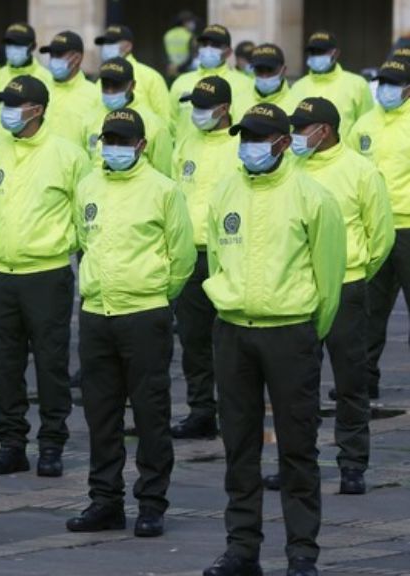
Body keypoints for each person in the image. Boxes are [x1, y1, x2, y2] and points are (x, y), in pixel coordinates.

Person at [202, 103, 345, 576]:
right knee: (239, 445)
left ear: (283, 143)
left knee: (297, 448)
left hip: (289, 333)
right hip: (234, 331)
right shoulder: (225, 190)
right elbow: (216, 263)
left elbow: (329, 279)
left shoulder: (313, 197)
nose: (248, 147)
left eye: (258, 139)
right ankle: (242, 548)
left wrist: (307, 331)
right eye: (244, 138)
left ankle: (302, 551)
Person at [69, 107, 195, 538]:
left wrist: (158, 293)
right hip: (96, 314)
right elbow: (84, 242)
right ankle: (104, 500)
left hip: (144, 315)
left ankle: (151, 502)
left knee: (150, 414)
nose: (116, 147)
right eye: (110, 140)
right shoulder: (87, 185)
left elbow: (182, 256)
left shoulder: (163, 190)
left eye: (124, 140)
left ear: (142, 145)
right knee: (100, 415)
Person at [258, 97, 393, 497]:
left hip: (346, 287)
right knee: (295, 384)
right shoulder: (290, 168)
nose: (295, 137)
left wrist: (352, 272)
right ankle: (296, 464)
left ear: (325, 130)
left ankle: (352, 463)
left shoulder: (360, 171)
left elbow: (380, 235)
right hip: (298, 289)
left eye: (301, 129)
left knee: (351, 381)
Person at [0, 76, 89, 478]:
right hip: (0, 274)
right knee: (5, 365)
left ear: (37, 109)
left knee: (50, 363)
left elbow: (84, 214)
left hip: (46, 275)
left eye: (14, 104)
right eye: (3, 103)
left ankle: (51, 443)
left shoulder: (68, 155)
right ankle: (11, 443)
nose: (5, 110)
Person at [170, 76, 239, 440]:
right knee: (194, 340)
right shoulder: (186, 141)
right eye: (193, 106)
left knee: (230, 340)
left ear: (224, 109)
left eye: (203, 107)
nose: (196, 114)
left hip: (230, 255)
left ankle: (235, 409)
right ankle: (201, 409)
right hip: (191, 255)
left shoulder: (243, 143)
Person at [349, 59, 410, 402]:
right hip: (374, 227)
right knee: (369, 311)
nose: (386, 89)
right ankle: (364, 378)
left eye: (394, 83)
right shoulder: (364, 124)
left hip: (408, 227)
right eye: (383, 82)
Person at [84, 58, 172, 176]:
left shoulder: (154, 124)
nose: (110, 91)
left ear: (132, 86)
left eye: (116, 85)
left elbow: (163, 174)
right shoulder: (89, 117)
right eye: (105, 85)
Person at [169, 24, 252, 147]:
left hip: (226, 158)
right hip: (187, 158)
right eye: (204, 44)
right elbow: (171, 125)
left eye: (216, 45)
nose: (208, 48)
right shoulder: (181, 82)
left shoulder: (245, 84)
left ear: (228, 52)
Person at [291, 32, 374, 140]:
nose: (316, 56)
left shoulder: (357, 84)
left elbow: (367, 126)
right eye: (313, 52)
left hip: (345, 155)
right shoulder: (297, 87)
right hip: (304, 155)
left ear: (336, 53)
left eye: (321, 52)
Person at [94, 25, 170, 122]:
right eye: (105, 43)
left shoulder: (151, 77)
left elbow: (164, 120)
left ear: (128, 46)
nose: (106, 47)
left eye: (112, 43)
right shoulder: (101, 80)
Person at [41, 31, 100, 147]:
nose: (53, 59)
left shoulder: (94, 95)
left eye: (58, 55)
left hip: (76, 164)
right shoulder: (41, 90)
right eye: (52, 55)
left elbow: (97, 144)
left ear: (77, 58)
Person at [0, 23, 54, 92]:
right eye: (9, 43)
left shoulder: (47, 78)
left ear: (33, 47)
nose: (12, 48)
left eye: (18, 43)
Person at [242, 43, 298, 112]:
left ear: (283, 70)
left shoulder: (297, 105)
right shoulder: (239, 101)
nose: (264, 76)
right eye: (259, 70)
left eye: (270, 70)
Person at [164, 10, 197, 77]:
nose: (193, 24)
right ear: (185, 22)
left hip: (171, 70)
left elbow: (164, 54)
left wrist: (171, 67)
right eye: (191, 22)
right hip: (186, 71)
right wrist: (179, 68)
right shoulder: (189, 35)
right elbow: (192, 56)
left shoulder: (168, 34)